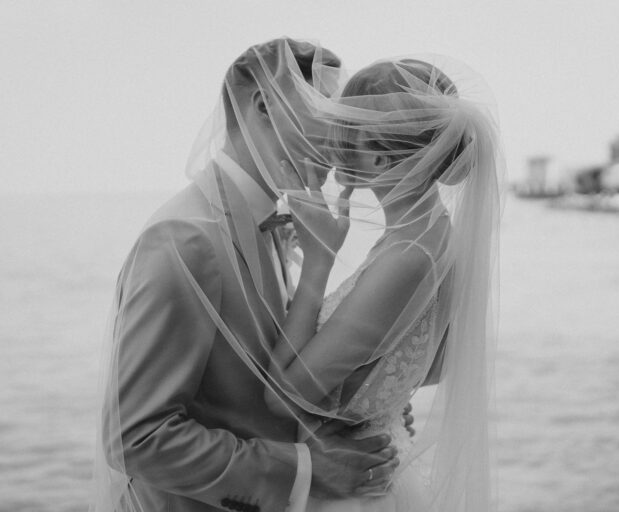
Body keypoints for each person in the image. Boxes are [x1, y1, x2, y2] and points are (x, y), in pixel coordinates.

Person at [91, 38, 402, 512]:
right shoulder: (185, 239)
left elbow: (263, 387)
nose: (339, 139)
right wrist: (307, 471)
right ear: (264, 105)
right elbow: (135, 437)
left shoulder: (273, 224)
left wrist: (363, 410)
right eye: (326, 111)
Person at [246, 56, 505, 511]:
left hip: (355, 494)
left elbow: (282, 399)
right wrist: (377, 400)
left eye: (346, 128)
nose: (332, 143)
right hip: (379, 466)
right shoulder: (434, 237)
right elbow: (436, 366)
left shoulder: (409, 256)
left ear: (378, 157)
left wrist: (318, 262)